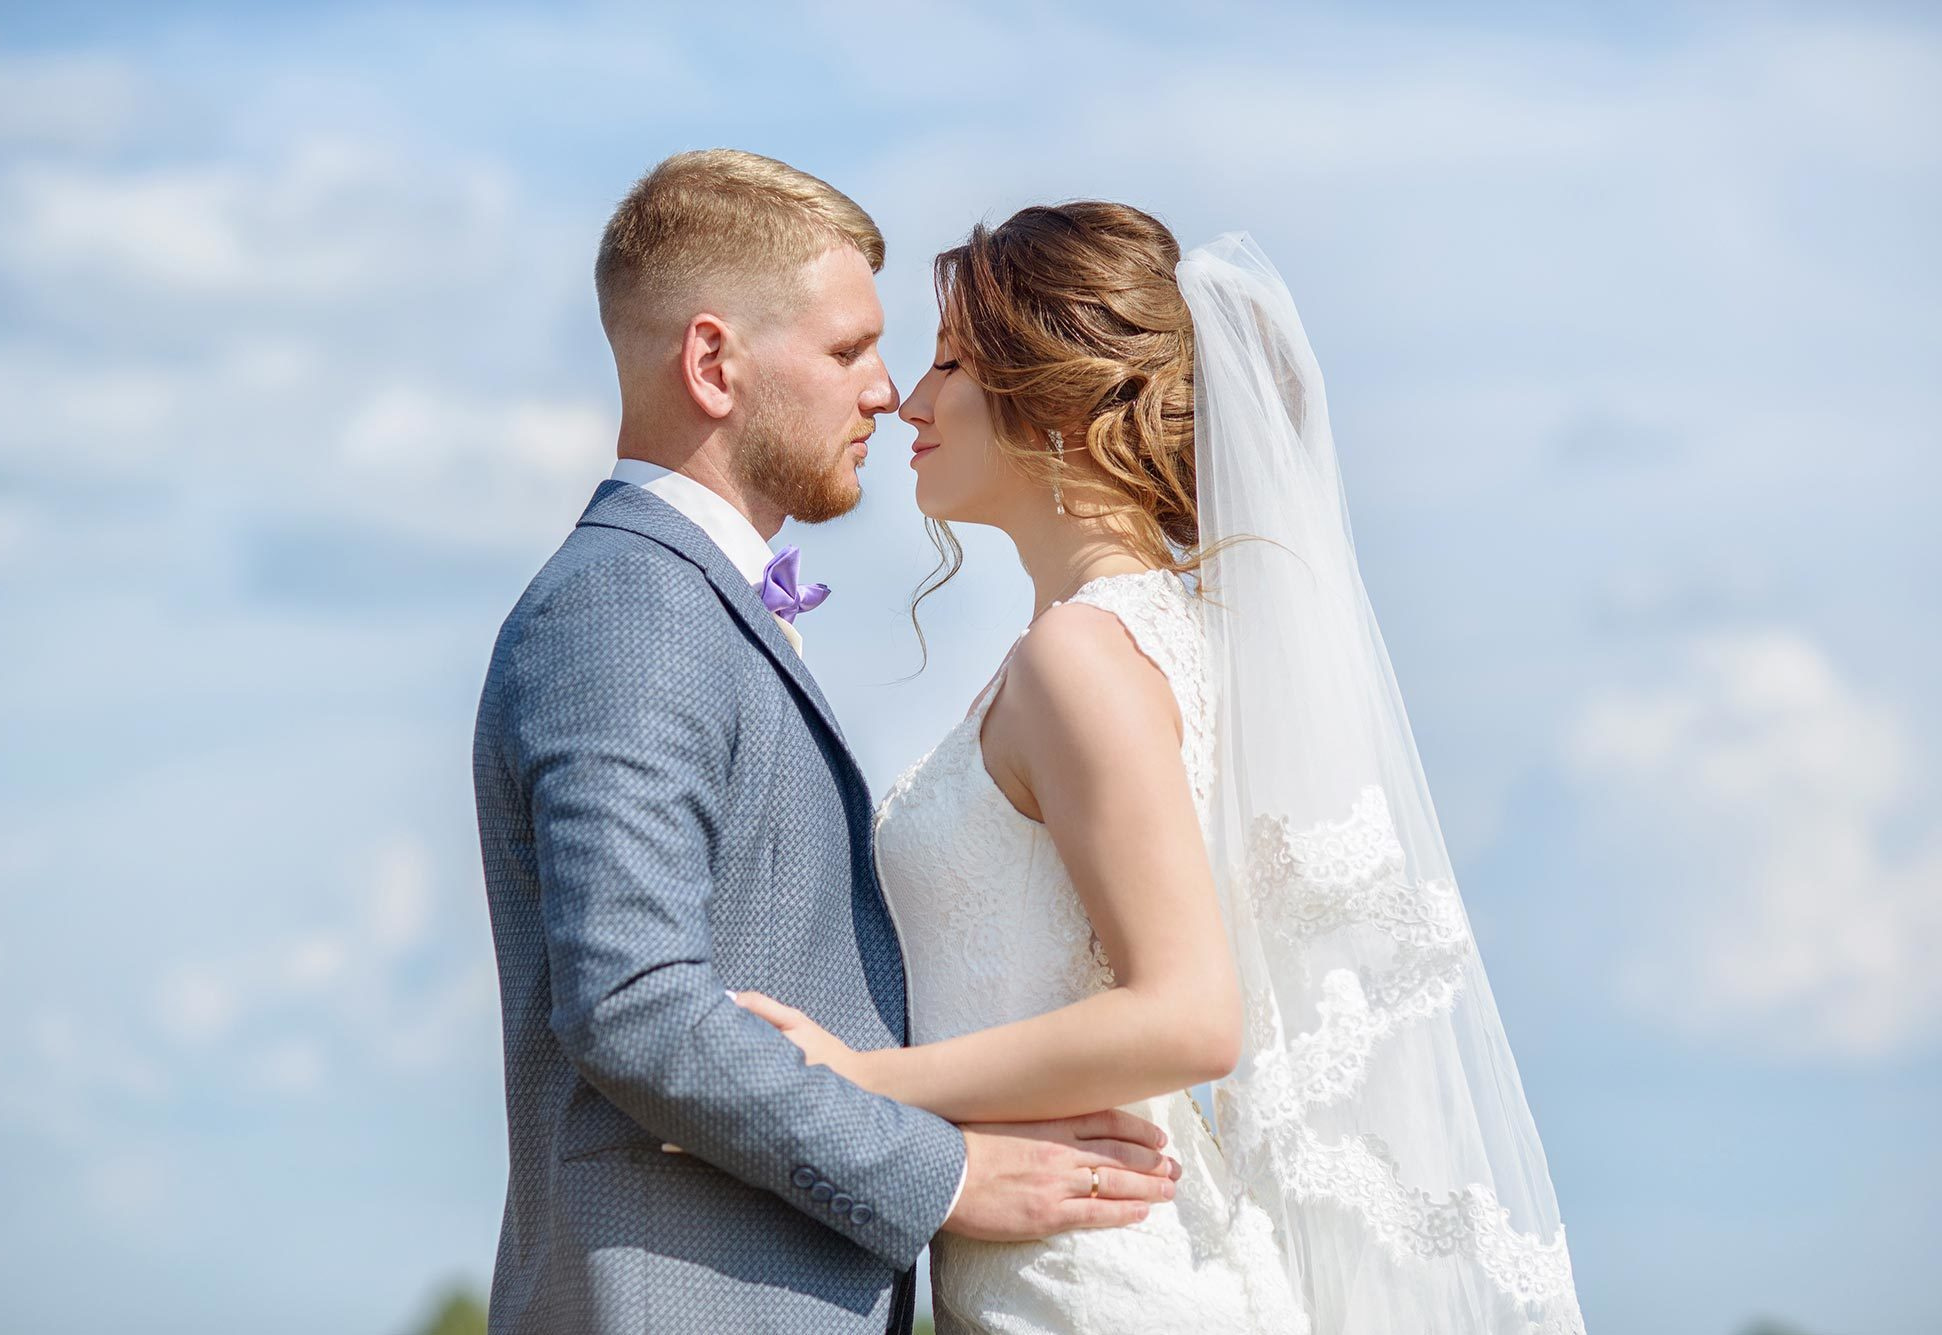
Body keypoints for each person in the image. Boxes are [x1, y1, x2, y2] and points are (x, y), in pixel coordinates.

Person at [735, 203, 1589, 1333]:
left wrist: (858, 1085)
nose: (908, 398)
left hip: (1105, 1290)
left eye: (950, 362)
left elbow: (1190, 1014)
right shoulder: (1133, 643)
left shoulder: (1079, 660)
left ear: (1055, 396)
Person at [470, 154, 1178, 1335]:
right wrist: (942, 1172)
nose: (886, 391)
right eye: (848, 350)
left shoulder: (686, 605)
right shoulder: (627, 608)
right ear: (711, 364)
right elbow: (634, 1006)